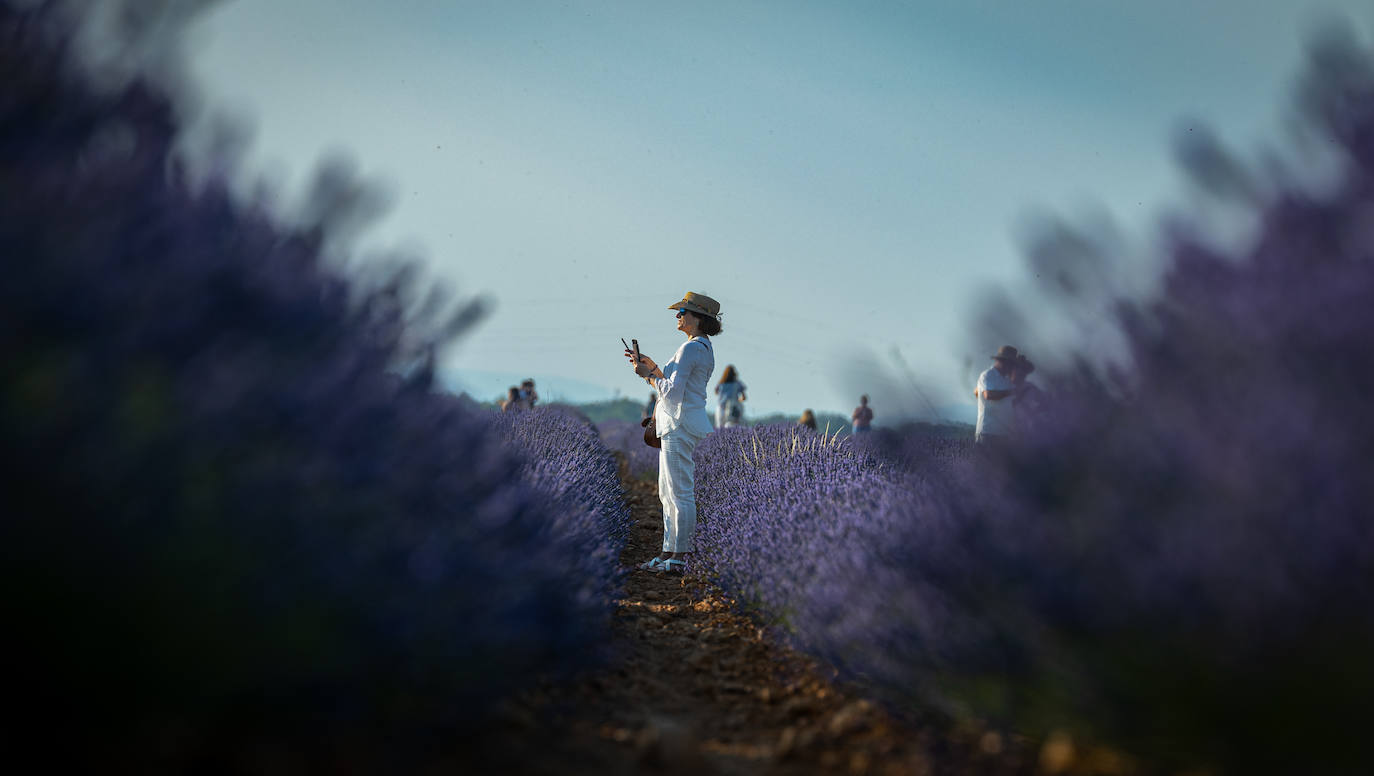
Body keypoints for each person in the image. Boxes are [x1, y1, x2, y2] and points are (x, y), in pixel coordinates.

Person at [624, 291, 722, 574]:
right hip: (682, 424)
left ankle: (680, 557)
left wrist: (648, 375)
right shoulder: (700, 347)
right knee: (668, 493)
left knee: (679, 493)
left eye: (683, 312)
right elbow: (674, 384)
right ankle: (670, 553)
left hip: (679, 425)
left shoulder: (690, 349)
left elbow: (671, 392)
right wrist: (651, 367)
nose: (678, 316)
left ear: (697, 318)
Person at [975, 345, 1018, 444]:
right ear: (1004, 362)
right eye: (1012, 364)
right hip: (988, 433)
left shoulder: (1008, 381)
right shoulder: (987, 375)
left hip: (1004, 435)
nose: (1012, 367)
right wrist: (1010, 392)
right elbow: (989, 395)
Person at [1011, 354, 1049, 436]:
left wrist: (1034, 413)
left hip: (1028, 432)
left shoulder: (1031, 388)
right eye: (1018, 368)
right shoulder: (1002, 386)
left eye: (1024, 370)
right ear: (1012, 370)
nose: (1021, 372)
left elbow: (1046, 403)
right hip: (1006, 433)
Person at [714, 364, 747, 428]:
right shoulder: (738, 384)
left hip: (721, 407)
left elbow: (716, 391)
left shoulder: (721, 383)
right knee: (734, 426)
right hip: (733, 407)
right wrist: (738, 400)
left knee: (720, 427)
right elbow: (744, 397)